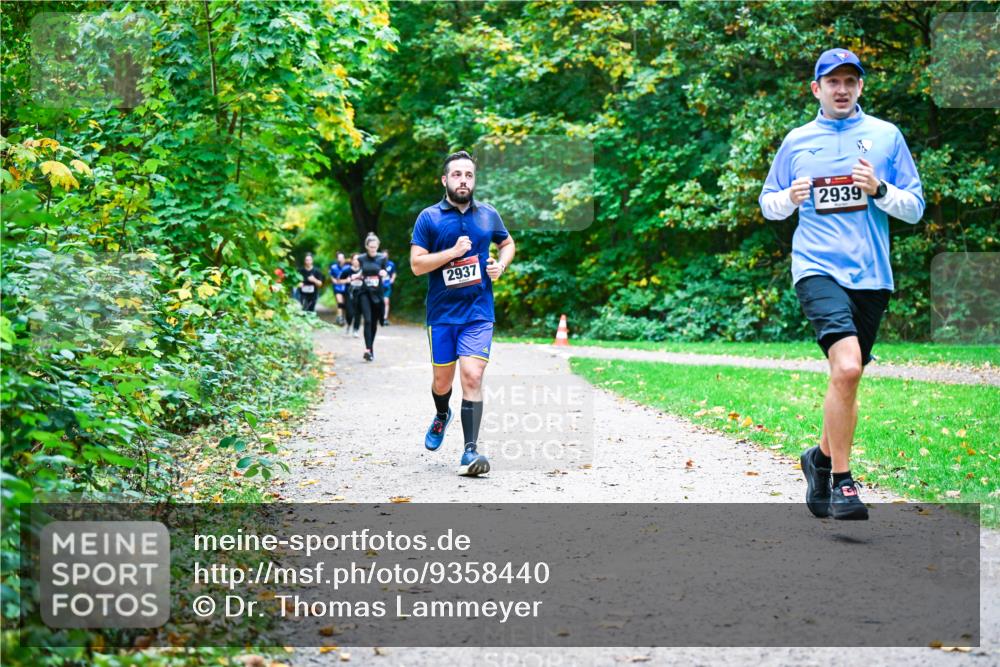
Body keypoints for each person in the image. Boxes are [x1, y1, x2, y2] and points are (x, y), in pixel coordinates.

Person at [759, 48, 924, 520]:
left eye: (850, 81)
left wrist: (881, 190)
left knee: (846, 379)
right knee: (848, 367)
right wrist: (787, 198)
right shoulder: (797, 141)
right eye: (832, 81)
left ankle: (820, 458)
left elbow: (914, 207)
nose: (842, 89)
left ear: (860, 87)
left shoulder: (886, 137)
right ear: (816, 89)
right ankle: (843, 483)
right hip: (816, 266)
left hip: (872, 274)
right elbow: (767, 202)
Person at [410, 150, 515, 477]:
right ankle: (442, 414)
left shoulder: (488, 215)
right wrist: (452, 253)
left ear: (474, 180)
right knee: (442, 383)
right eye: (457, 175)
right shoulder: (429, 218)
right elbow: (416, 265)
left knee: (472, 375)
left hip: (478, 312)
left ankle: (470, 452)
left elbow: (507, 244)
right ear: (445, 180)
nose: (463, 181)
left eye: (468, 175)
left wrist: (501, 265)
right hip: (441, 315)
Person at [358, 234, 389, 361]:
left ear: (378, 246)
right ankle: (367, 349)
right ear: (367, 246)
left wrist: (384, 273)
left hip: (377, 293)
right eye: (370, 247)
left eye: (375, 247)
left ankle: (370, 348)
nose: (372, 250)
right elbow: (357, 271)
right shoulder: (361, 258)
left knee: (374, 323)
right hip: (364, 292)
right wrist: (356, 276)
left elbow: (385, 271)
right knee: (368, 320)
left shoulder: (382, 258)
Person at [328, 252, 350, 325]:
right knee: (340, 302)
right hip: (337, 287)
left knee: (344, 303)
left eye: (342, 258)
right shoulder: (333, 267)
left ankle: (341, 316)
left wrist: (345, 281)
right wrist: (333, 280)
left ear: (344, 258)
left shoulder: (348, 267)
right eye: (339, 258)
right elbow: (331, 276)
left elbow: (350, 277)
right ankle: (340, 318)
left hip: (346, 287)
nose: (340, 259)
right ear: (337, 259)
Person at [345, 254, 363, 338]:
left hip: (360, 293)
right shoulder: (347, 270)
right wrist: (346, 280)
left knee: (358, 312)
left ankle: (356, 330)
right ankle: (348, 323)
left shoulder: (363, 270)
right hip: (349, 293)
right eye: (355, 259)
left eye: (358, 259)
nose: (357, 261)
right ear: (352, 261)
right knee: (350, 312)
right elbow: (338, 280)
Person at [382, 250, 397, 325]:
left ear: (388, 256)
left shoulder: (391, 264)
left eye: (386, 255)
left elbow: (394, 273)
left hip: (387, 285)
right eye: (383, 255)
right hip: (378, 286)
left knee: (386, 301)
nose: (384, 257)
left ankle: (385, 318)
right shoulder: (378, 263)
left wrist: (392, 279)